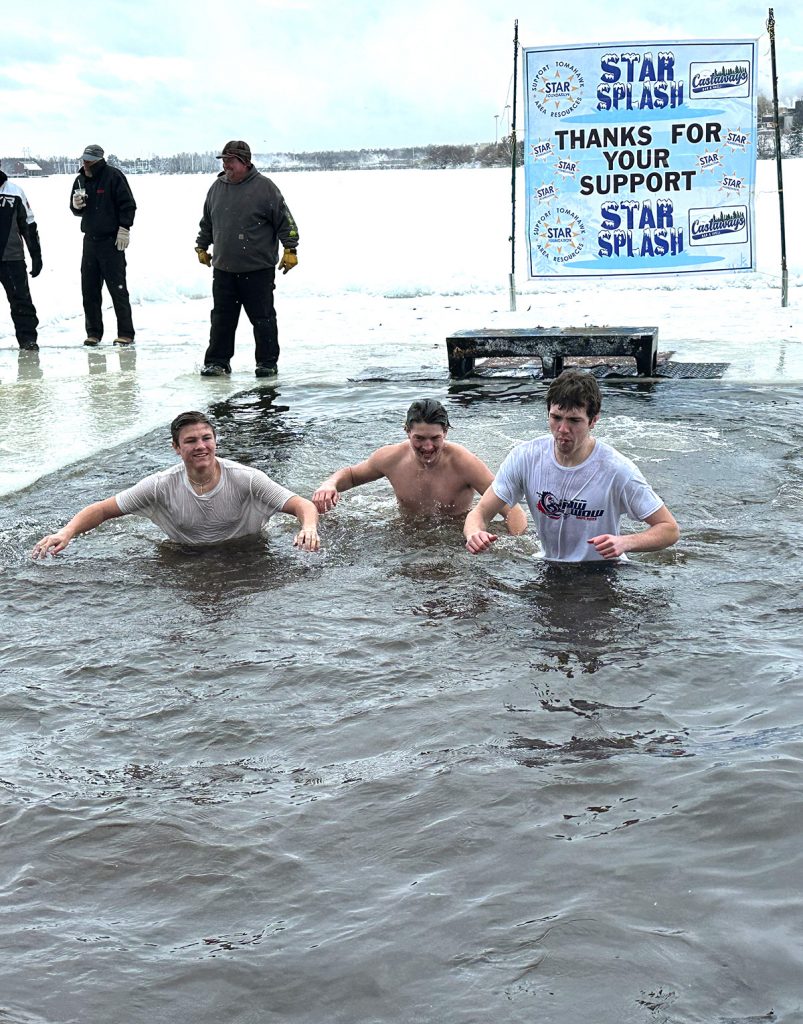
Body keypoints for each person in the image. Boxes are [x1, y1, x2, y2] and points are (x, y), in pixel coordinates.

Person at [32, 411, 320, 557]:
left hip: (248, 551)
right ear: (176, 448)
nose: (201, 446)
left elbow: (301, 504)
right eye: (191, 441)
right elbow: (104, 509)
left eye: (206, 438)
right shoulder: (160, 485)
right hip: (185, 554)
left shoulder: (246, 478)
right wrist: (66, 532)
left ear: (215, 441)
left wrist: (308, 528)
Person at [464, 370, 679, 561]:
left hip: (601, 570)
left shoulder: (617, 470)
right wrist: (474, 534)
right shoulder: (525, 457)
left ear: (593, 421)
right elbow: (479, 513)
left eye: (574, 421)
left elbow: (669, 529)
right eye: (556, 417)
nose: (563, 429)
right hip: (548, 564)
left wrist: (625, 542)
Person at [312, 398, 528, 531]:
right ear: (407, 431)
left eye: (435, 438)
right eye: (419, 438)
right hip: (408, 531)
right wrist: (330, 484)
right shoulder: (391, 458)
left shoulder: (464, 463)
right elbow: (351, 476)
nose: (427, 446)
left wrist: (512, 550)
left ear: (445, 432)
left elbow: (513, 510)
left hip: (453, 534)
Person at [195, 140, 299, 379]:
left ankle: (267, 363)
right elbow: (207, 222)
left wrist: (290, 249)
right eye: (224, 160)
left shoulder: (265, 188)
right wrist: (201, 245)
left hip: (257, 269)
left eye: (230, 160)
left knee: (263, 319)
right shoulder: (216, 188)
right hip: (224, 268)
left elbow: (286, 222)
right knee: (221, 320)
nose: (226, 165)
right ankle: (217, 362)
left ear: (245, 162)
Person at [69, 144, 136, 347]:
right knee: (89, 290)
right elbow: (75, 209)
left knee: (118, 290)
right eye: (84, 160)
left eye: (88, 160)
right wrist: (76, 205)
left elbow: (128, 204)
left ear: (98, 160)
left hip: (111, 241)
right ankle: (93, 333)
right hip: (90, 241)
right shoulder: (80, 179)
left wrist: (124, 228)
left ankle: (125, 333)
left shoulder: (113, 176)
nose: (85, 163)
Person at [0, 164, 43, 351]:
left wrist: (36, 255)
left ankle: (27, 340)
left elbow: (28, 224)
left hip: (12, 257)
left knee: (21, 301)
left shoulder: (15, 192)